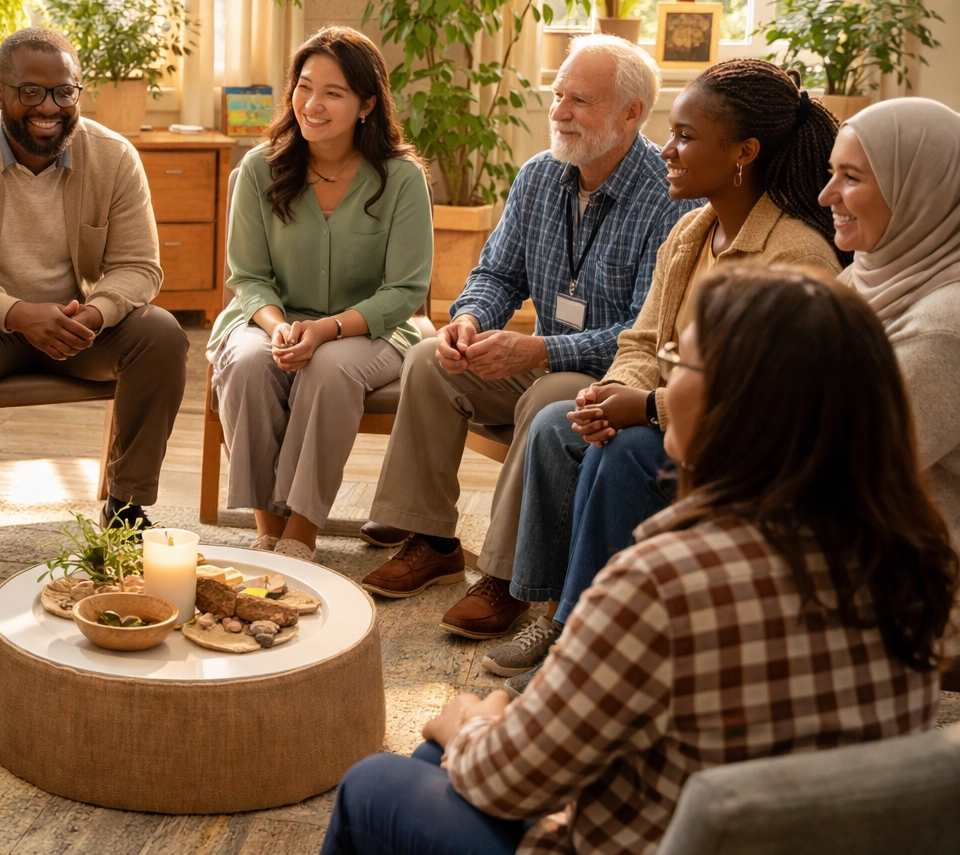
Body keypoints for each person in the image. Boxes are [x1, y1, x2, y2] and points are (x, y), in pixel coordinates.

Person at [321, 265, 957, 855]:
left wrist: (468, 721)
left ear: (741, 403)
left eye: (679, 361)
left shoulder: (662, 582)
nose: (665, 381)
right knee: (435, 768)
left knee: (379, 778)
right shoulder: (913, 559)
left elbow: (511, 781)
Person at [491, 59, 842, 691]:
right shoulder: (691, 231)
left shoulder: (794, 254)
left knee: (626, 450)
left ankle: (584, 648)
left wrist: (645, 408)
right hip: (679, 414)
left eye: (683, 136)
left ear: (744, 152)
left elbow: (763, 400)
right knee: (572, 426)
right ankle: (562, 617)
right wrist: (616, 389)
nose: (666, 151)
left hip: (748, 447)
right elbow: (643, 338)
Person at [358, 35, 695, 629]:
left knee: (546, 395)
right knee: (432, 358)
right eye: (557, 94)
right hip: (536, 354)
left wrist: (539, 347)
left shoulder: (666, 201)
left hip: (606, 379)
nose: (559, 111)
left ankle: (508, 575)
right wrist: (469, 321)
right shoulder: (540, 175)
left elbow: (642, 330)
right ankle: (431, 542)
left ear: (632, 114)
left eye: (579, 101)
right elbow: (496, 273)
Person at [0, 27, 188, 577]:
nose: (49, 107)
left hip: (79, 326)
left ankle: (126, 507)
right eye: (30, 92)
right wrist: (16, 313)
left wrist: (97, 312)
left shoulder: (114, 157)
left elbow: (139, 267)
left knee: (161, 334)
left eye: (64, 92)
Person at [208, 26, 432, 561]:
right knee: (248, 363)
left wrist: (328, 328)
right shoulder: (259, 169)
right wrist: (277, 325)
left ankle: (302, 534)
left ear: (366, 104)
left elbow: (405, 289)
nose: (313, 104)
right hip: (269, 319)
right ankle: (268, 529)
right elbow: (247, 276)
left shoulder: (401, 178)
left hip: (369, 328)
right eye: (305, 87)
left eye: (333, 93)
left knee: (328, 368)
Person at [823, 98, 960, 533]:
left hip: (911, 581)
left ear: (921, 189)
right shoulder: (861, 278)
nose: (826, 195)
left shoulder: (943, 329)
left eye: (851, 177)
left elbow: (844, 470)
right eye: (832, 172)